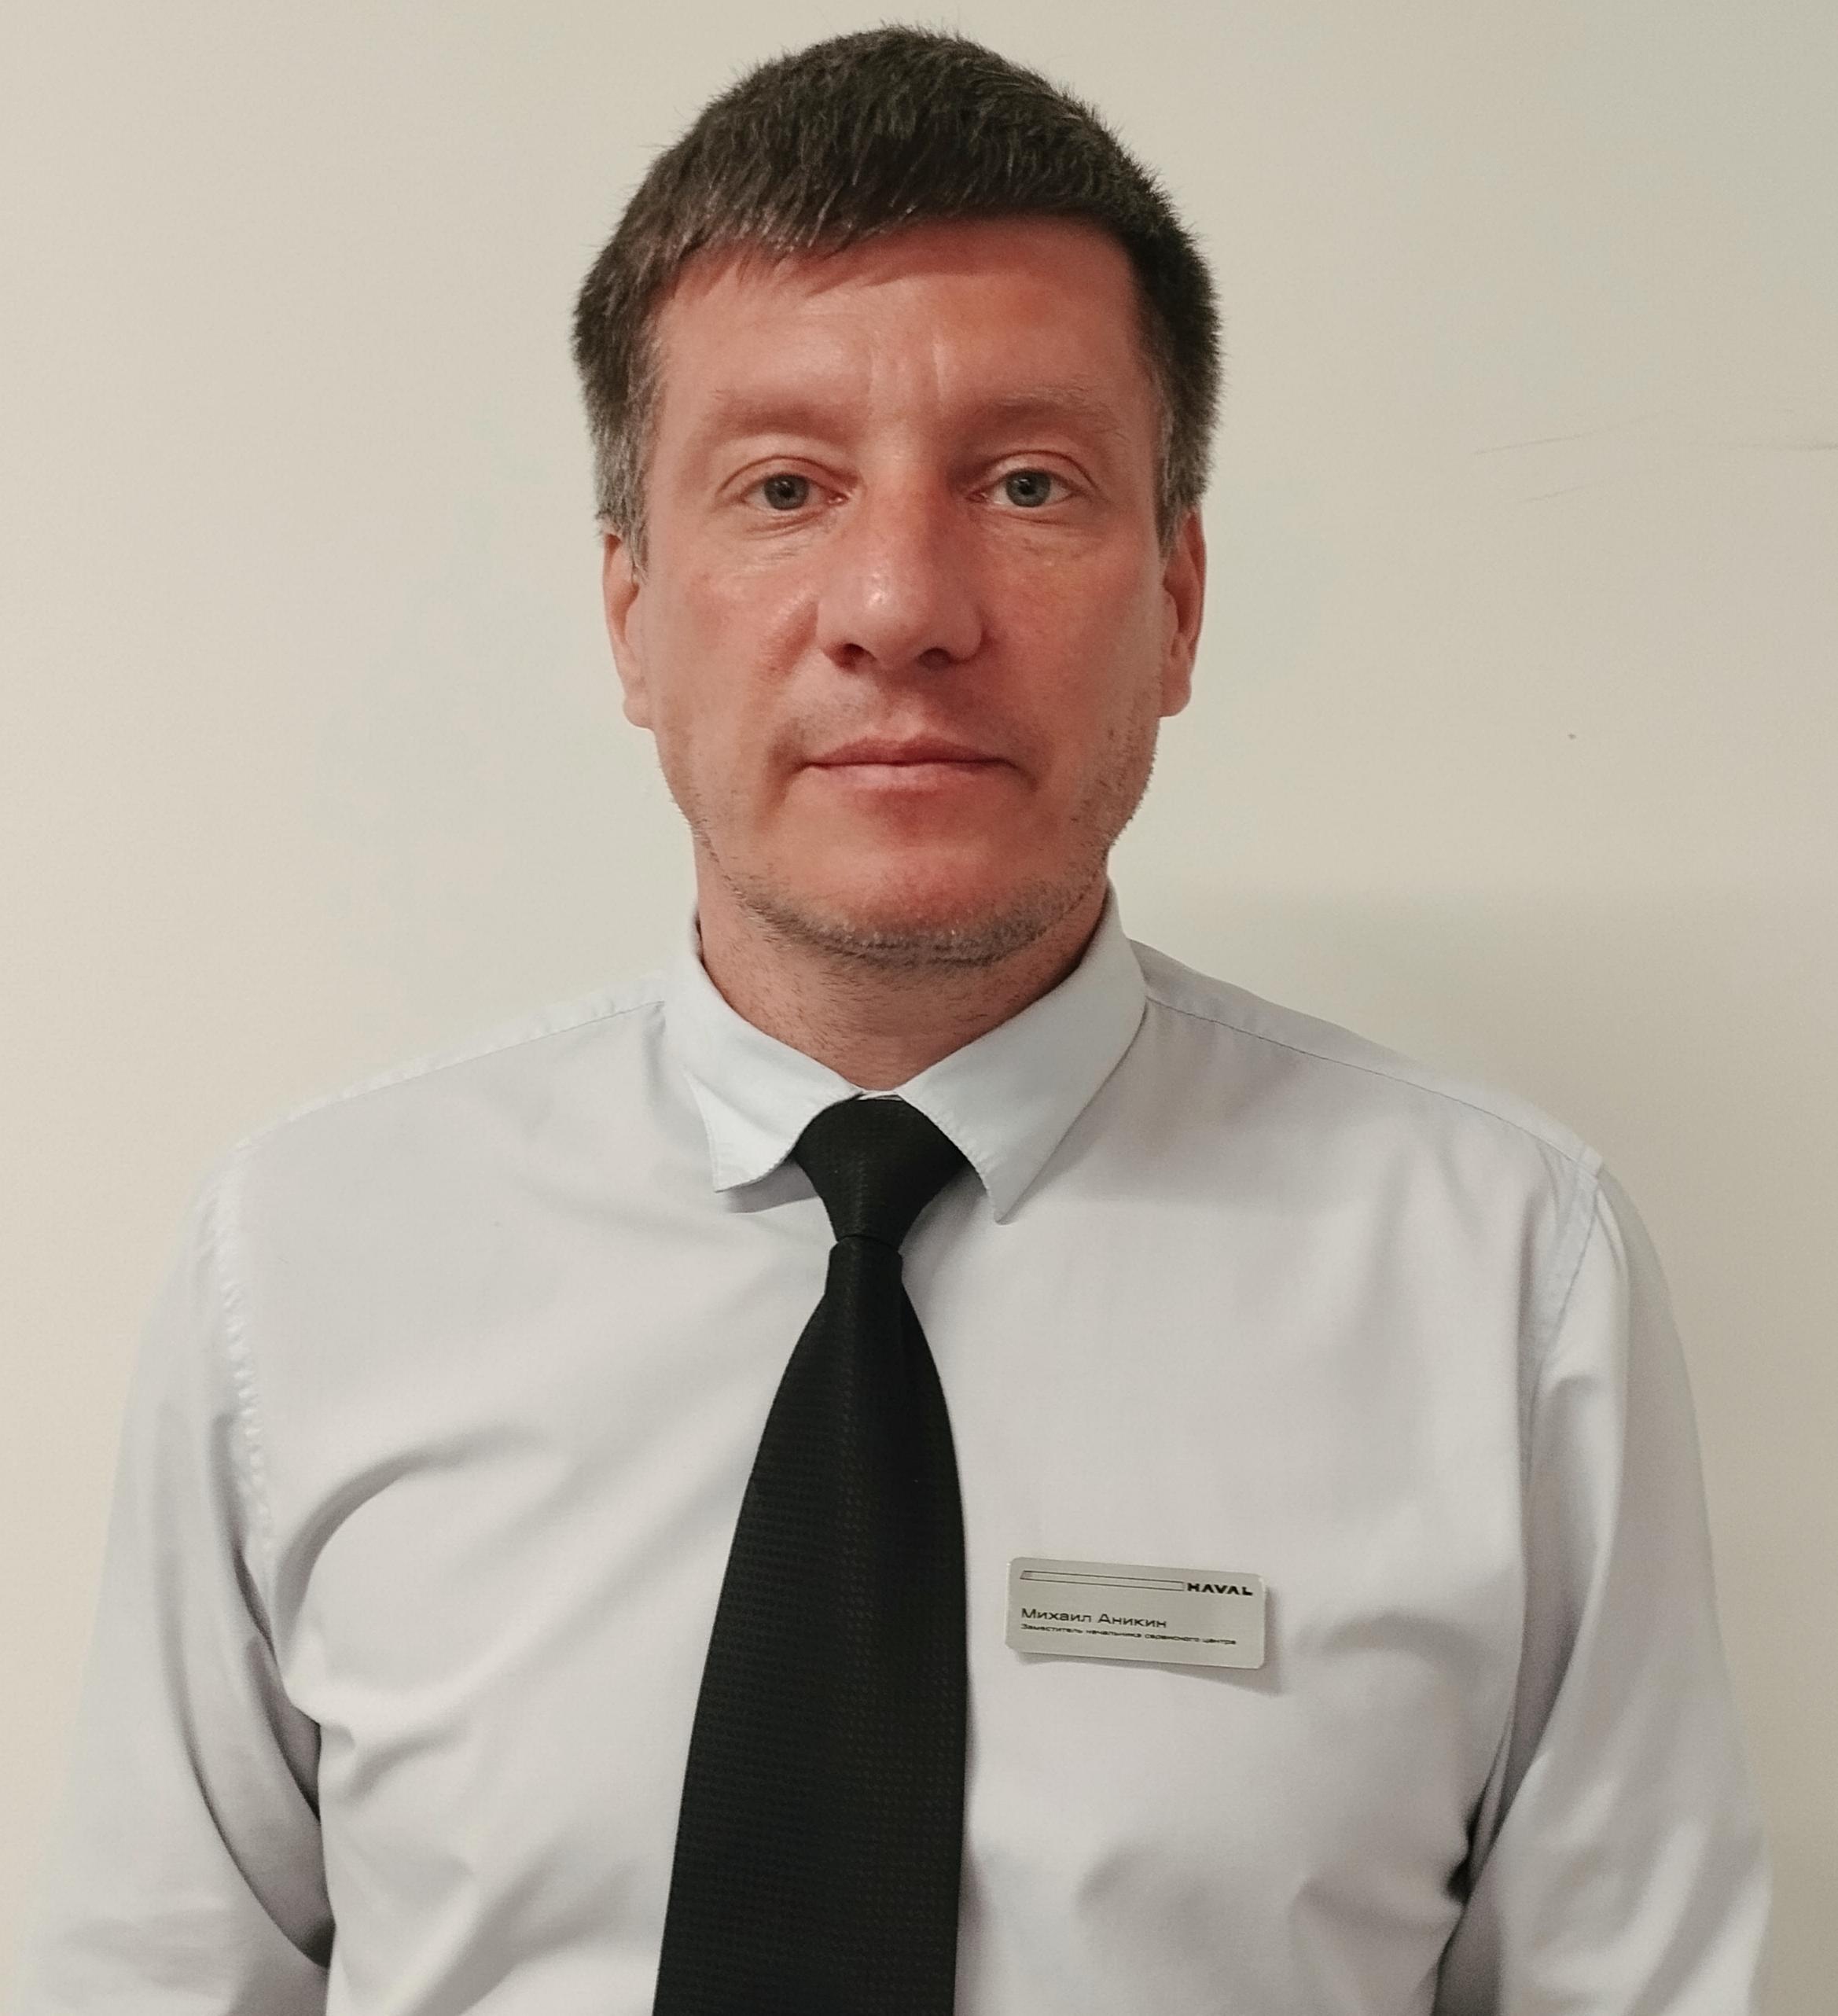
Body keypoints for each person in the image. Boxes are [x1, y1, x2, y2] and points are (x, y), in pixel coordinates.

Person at [15, 25, 1768, 2015]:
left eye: (1027, 483)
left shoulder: (1506, 1281)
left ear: (1177, 601)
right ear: (629, 612)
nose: (899, 605)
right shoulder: (305, 1265)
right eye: (783, 487)